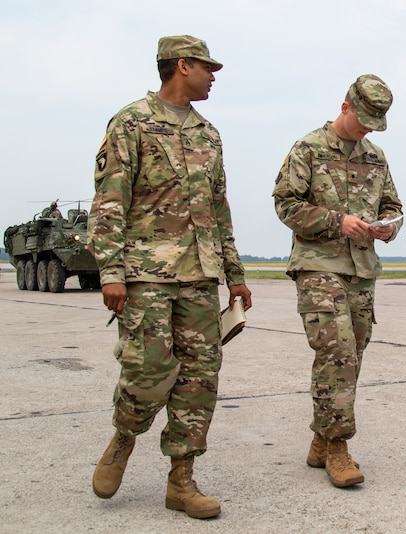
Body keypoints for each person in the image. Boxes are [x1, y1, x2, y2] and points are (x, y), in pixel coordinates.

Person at [88, 35, 252, 519]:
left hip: (201, 276)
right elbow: (110, 201)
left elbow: (218, 209)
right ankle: (124, 435)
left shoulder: (209, 134)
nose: (213, 75)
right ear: (182, 66)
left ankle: (181, 479)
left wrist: (235, 275)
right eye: (207, 67)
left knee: (200, 379)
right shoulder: (131, 122)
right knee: (148, 370)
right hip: (146, 274)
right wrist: (111, 272)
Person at [272, 74, 403, 488]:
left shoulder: (376, 157)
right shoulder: (308, 149)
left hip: (362, 271)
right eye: (362, 118)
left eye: (374, 123)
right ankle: (339, 448)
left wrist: (389, 227)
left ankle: (320, 435)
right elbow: (284, 203)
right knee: (339, 352)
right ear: (345, 106)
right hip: (317, 265)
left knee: (352, 357)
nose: (366, 128)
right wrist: (335, 221)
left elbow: (392, 203)